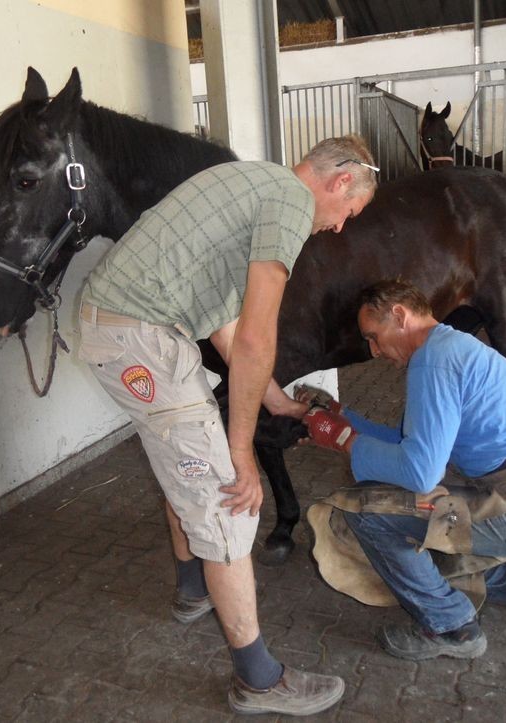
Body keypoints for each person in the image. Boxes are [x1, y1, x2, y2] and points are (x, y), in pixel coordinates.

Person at [76, 136, 378, 715]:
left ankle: (193, 591)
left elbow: (226, 327)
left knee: (185, 460)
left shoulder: (253, 185)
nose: (341, 227)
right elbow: (260, 336)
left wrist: (278, 403)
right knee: (226, 495)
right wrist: (241, 451)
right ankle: (258, 679)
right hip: (137, 335)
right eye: (351, 213)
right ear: (341, 182)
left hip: (126, 329)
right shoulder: (290, 202)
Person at [301, 278, 506, 661]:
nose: (374, 351)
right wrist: (341, 418)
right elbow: (408, 445)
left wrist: (343, 440)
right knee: (435, 558)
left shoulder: (434, 361)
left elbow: (421, 472)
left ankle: (452, 627)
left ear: (400, 316)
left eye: (374, 336)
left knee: (370, 515)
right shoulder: (448, 349)